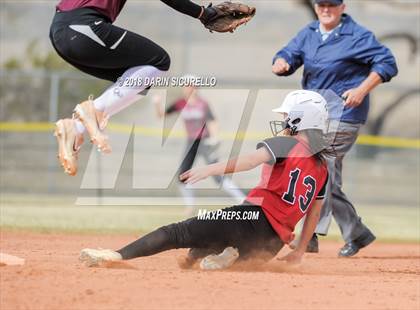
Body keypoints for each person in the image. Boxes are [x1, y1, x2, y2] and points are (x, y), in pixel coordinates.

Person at [79, 90, 330, 270]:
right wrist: (298, 250)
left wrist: (210, 169)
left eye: (288, 116)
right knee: (196, 257)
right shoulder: (323, 167)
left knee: (177, 232)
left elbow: (250, 161)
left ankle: (115, 255)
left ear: (301, 118)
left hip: (250, 219)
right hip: (273, 243)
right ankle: (230, 254)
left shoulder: (286, 143)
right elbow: (314, 214)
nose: (284, 120)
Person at [49, 0, 251, 176]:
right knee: (159, 61)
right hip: (81, 27)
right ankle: (92, 110)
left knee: (139, 77)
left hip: (63, 33)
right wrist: (203, 13)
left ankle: (75, 128)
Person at [272, 0, 398, 257]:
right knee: (327, 177)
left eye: (332, 4)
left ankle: (311, 235)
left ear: (342, 7)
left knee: (320, 169)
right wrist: (282, 61)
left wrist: (362, 90)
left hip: (344, 114)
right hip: (314, 116)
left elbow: (387, 63)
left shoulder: (358, 35)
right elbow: (289, 53)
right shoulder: (309, 32)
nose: (326, 9)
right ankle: (356, 232)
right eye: (321, 4)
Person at [154, 83, 245, 214]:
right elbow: (161, 115)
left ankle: (243, 201)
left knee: (218, 175)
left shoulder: (203, 103)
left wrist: (215, 138)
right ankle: (190, 206)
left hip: (205, 141)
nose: (188, 89)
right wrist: (157, 103)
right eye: (186, 86)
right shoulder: (180, 103)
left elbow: (212, 121)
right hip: (191, 142)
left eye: (191, 86)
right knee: (183, 175)